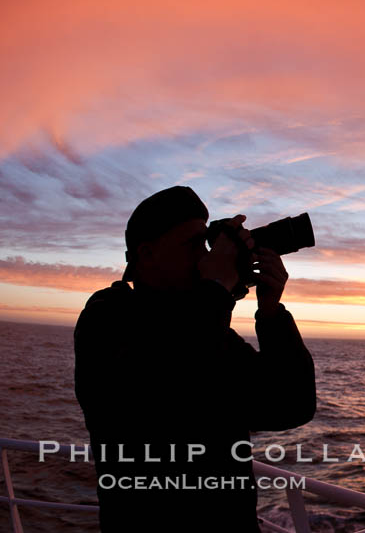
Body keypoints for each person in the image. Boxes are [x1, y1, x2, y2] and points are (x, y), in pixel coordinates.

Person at [74, 186, 316, 532]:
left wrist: (271, 314)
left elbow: (291, 405)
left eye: (208, 246)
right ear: (147, 253)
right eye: (193, 245)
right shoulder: (107, 318)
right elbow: (167, 390)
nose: (205, 258)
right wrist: (215, 289)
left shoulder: (211, 328)